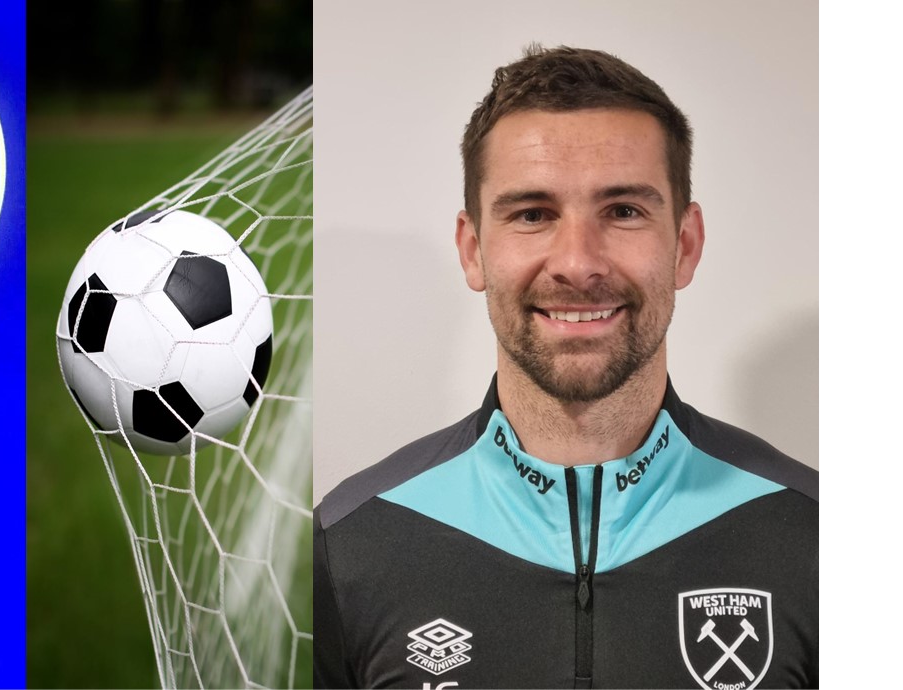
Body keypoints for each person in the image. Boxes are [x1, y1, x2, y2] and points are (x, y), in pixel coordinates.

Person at [313, 45, 817, 689]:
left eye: (624, 211)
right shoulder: (350, 543)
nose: (578, 263)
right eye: (532, 214)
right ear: (473, 251)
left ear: (685, 246)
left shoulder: (820, 539)